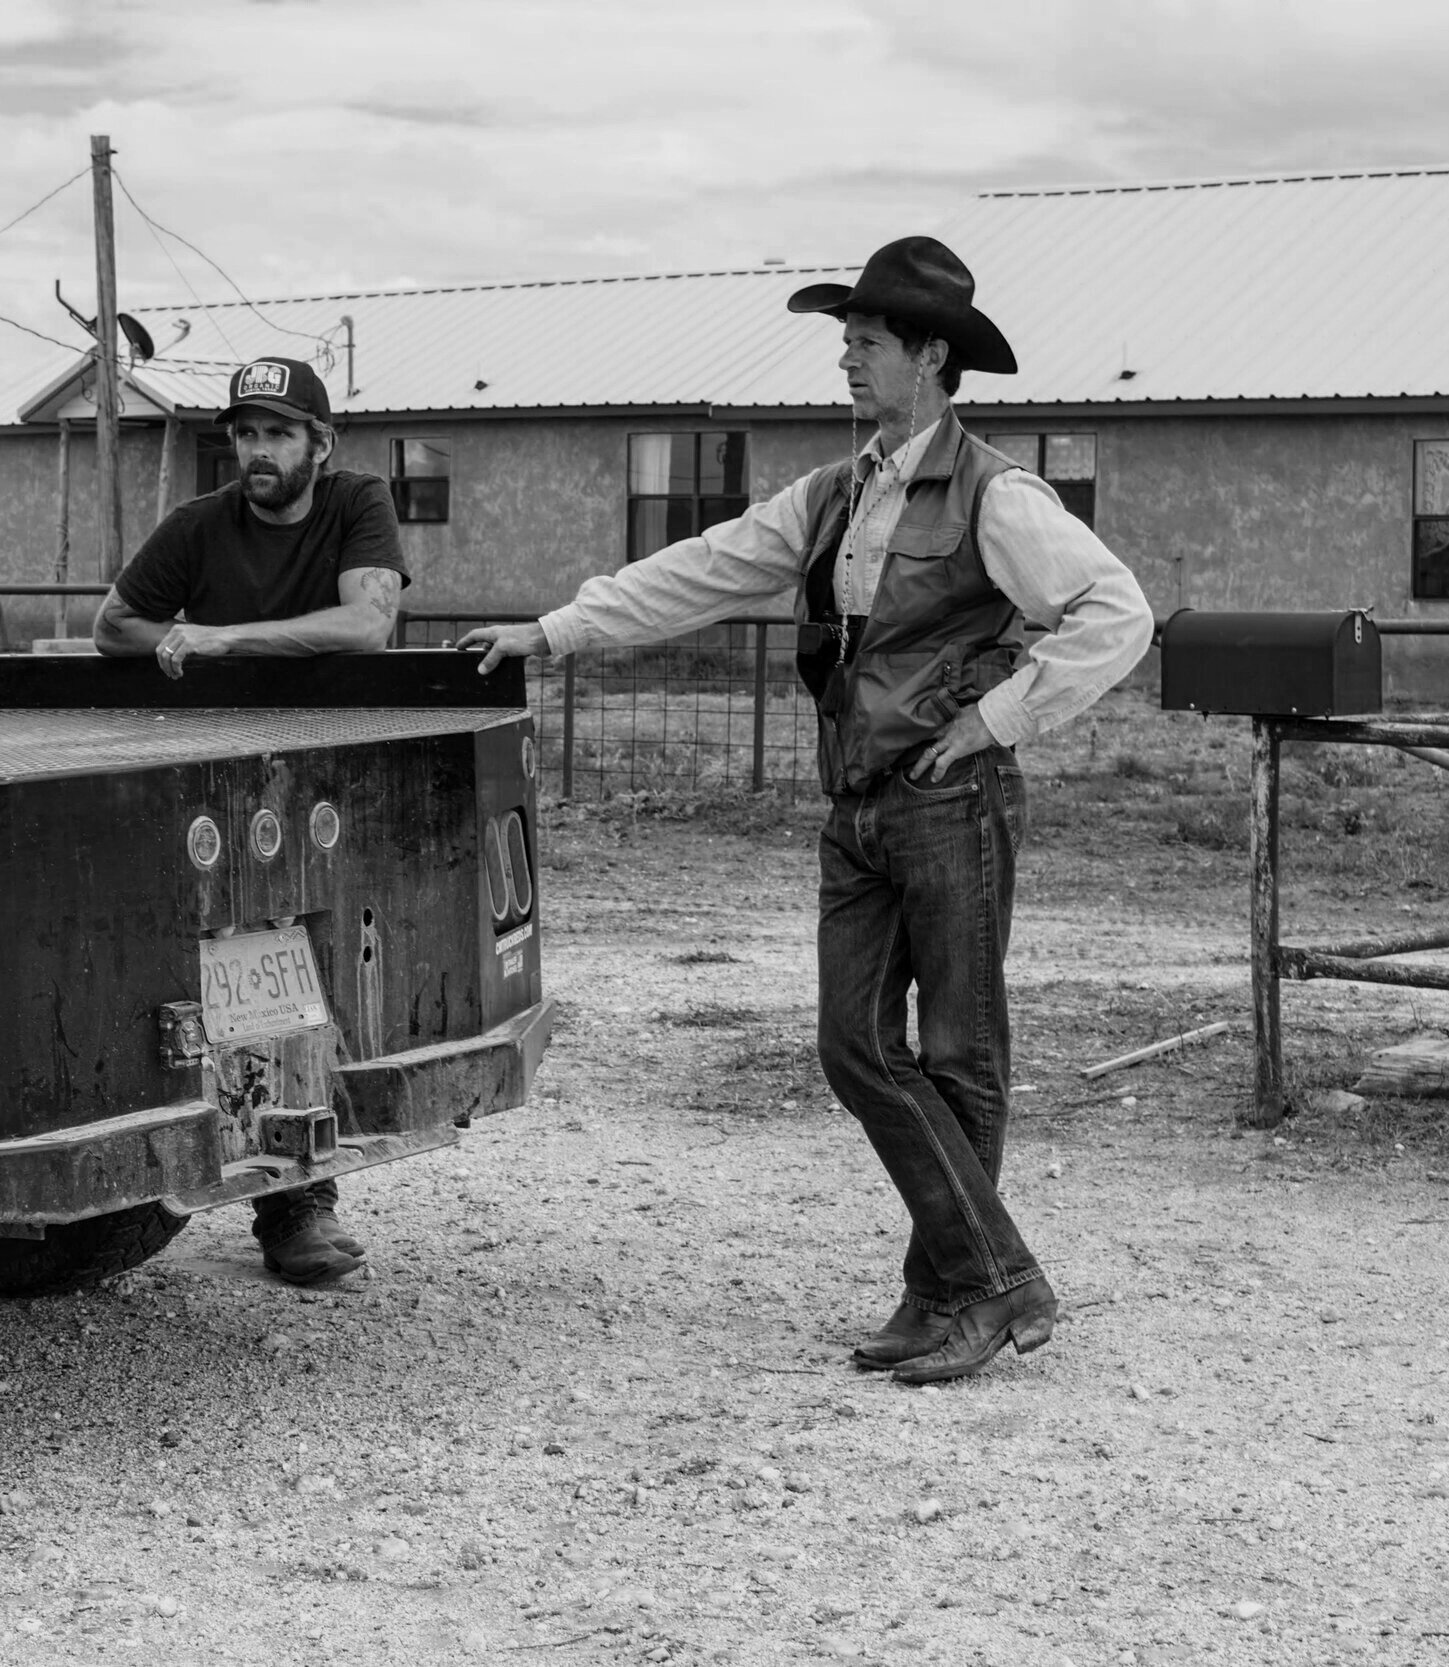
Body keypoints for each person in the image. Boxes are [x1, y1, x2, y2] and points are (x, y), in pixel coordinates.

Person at [463, 237, 1152, 1385]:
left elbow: (1113, 610)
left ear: (930, 358)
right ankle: (990, 1280)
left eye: (868, 340)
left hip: (952, 798)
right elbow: (705, 564)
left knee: (962, 1051)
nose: (847, 356)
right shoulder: (838, 491)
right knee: (855, 1043)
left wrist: (998, 721)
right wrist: (556, 628)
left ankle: (949, 1296)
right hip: (862, 800)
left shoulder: (998, 492)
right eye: (848, 337)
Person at [94, 357, 407, 1282]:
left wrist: (224, 640)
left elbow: (365, 627)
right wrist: (176, 642)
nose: (256, 451)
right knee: (241, 968)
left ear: (320, 443)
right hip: (221, 778)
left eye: (276, 433)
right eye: (243, 434)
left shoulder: (358, 502)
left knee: (331, 965)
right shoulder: (200, 524)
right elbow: (116, 626)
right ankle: (289, 1207)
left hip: (338, 770)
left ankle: (303, 1182)